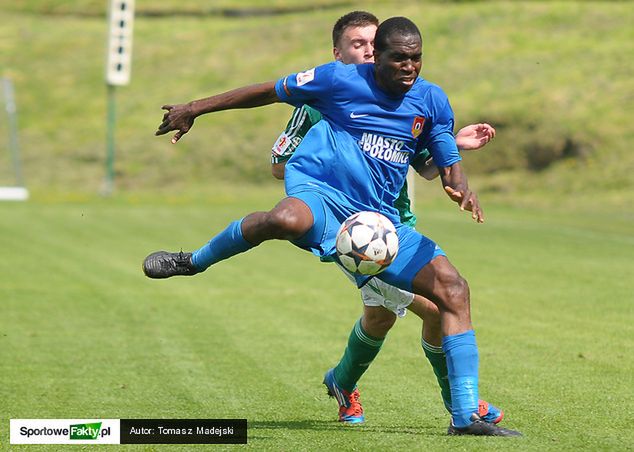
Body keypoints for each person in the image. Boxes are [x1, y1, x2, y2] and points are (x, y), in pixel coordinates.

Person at [144, 16, 521, 436]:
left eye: (416, 58)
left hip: (381, 223)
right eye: (400, 58)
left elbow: (444, 160)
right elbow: (268, 91)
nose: (409, 66)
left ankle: (461, 415)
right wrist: (194, 108)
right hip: (322, 197)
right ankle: (194, 261)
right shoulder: (336, 82)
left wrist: (461, 186)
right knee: (284, 219)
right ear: (377, 55)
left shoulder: (432, 100)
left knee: (450, 291)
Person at [269, 11, 501, 427]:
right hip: (355, 229)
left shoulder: (397, 97)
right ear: (338, 52)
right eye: (357, 44)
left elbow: (424, 165)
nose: (367, 50)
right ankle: (466, 407)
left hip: (397, 224)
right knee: (437, 306)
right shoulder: (320, 101)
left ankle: (341, 383)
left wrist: (452, 146)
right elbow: (278, 164)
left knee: (380, 317)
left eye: (372, 43)